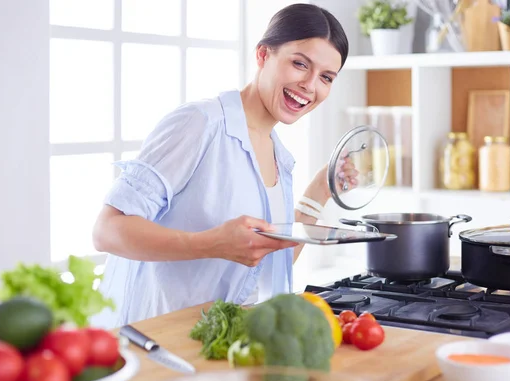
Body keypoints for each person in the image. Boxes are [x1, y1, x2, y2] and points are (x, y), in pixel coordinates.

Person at [90, 3, 354, 329]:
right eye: (300, 64)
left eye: (326, 77)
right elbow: (107, 231)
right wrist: (211, 243)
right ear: (262, 55)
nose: (310, 86)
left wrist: (320, 191)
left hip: (224, 346)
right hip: (160, 340)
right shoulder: (201, 124)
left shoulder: (279, 157)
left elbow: (268, 264)